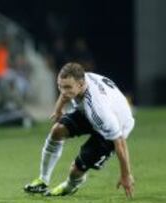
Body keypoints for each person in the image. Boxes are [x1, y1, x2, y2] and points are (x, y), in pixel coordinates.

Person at [24, 62, 135, 198]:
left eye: (68, 87)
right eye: (60, 86)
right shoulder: (79, 81)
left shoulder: (98, 109)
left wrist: (126, 175)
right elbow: (65, 93)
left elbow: (120, 142)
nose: (63, 91)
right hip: (93, 113)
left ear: (81, 85)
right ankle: (43, 180)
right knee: (57, 130)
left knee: (76, 170)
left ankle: (70, 186)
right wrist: (58, 110)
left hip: (117, 126)